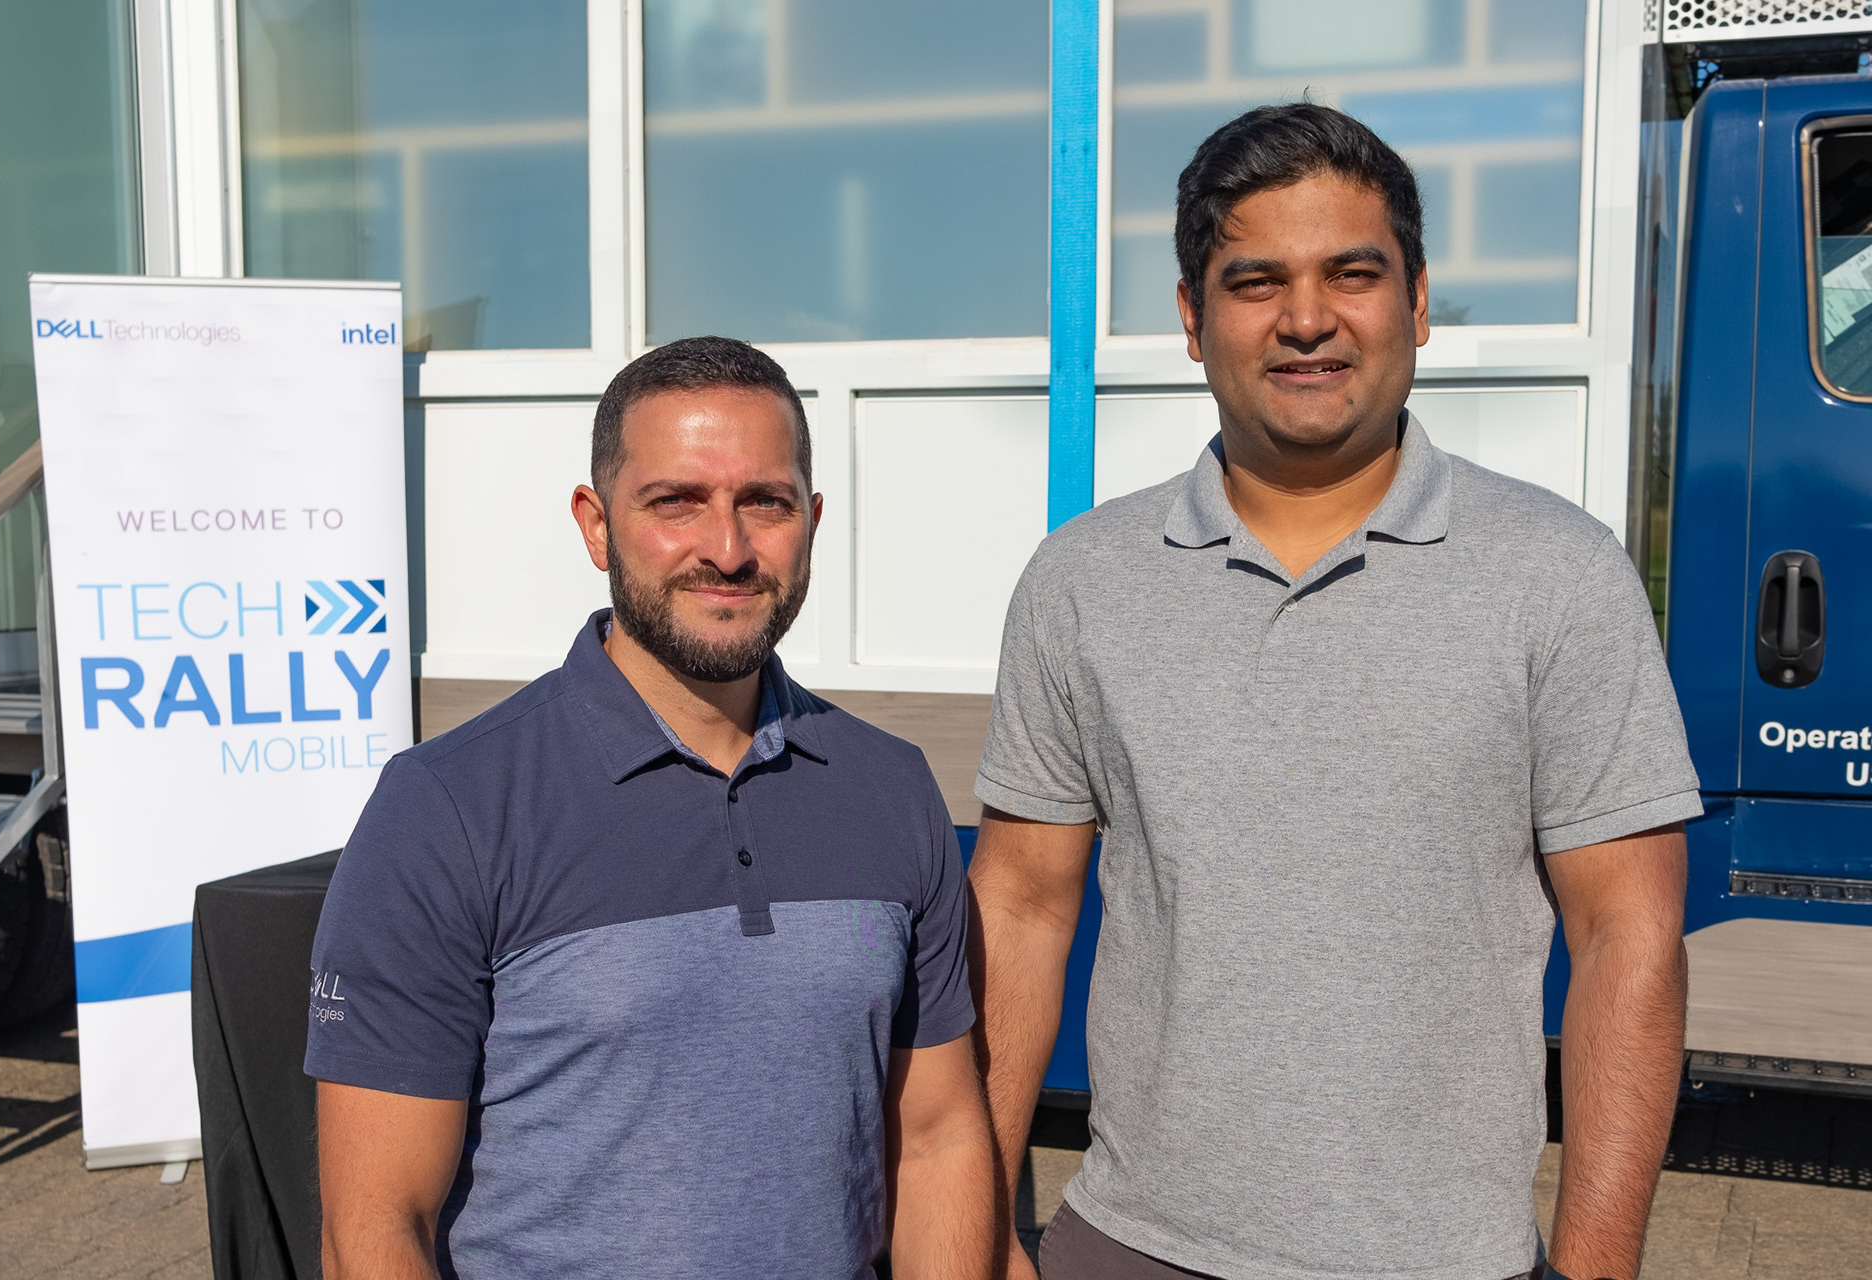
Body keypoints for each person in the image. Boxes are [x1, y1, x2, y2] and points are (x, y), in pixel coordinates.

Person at [969, 104, 1699, 1280]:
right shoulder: (1082, 581)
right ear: (1192, 319)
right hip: (1130, 1246)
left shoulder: (1560, 574)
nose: (1306, 318)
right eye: (1255, 280)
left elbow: (1631, 937)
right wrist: (971, 1233)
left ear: (1418, 301)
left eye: (1351, 274)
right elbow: (1018, 910)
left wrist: (1594, 1267)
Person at [305, 336, 997, 1280]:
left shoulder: (890, 788)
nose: (728, 549)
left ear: (812, 521)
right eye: (677, 501)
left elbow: (938, 1139)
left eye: (766, 502)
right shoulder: (447, 808)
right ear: (596, 526)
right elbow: (376, 1230)